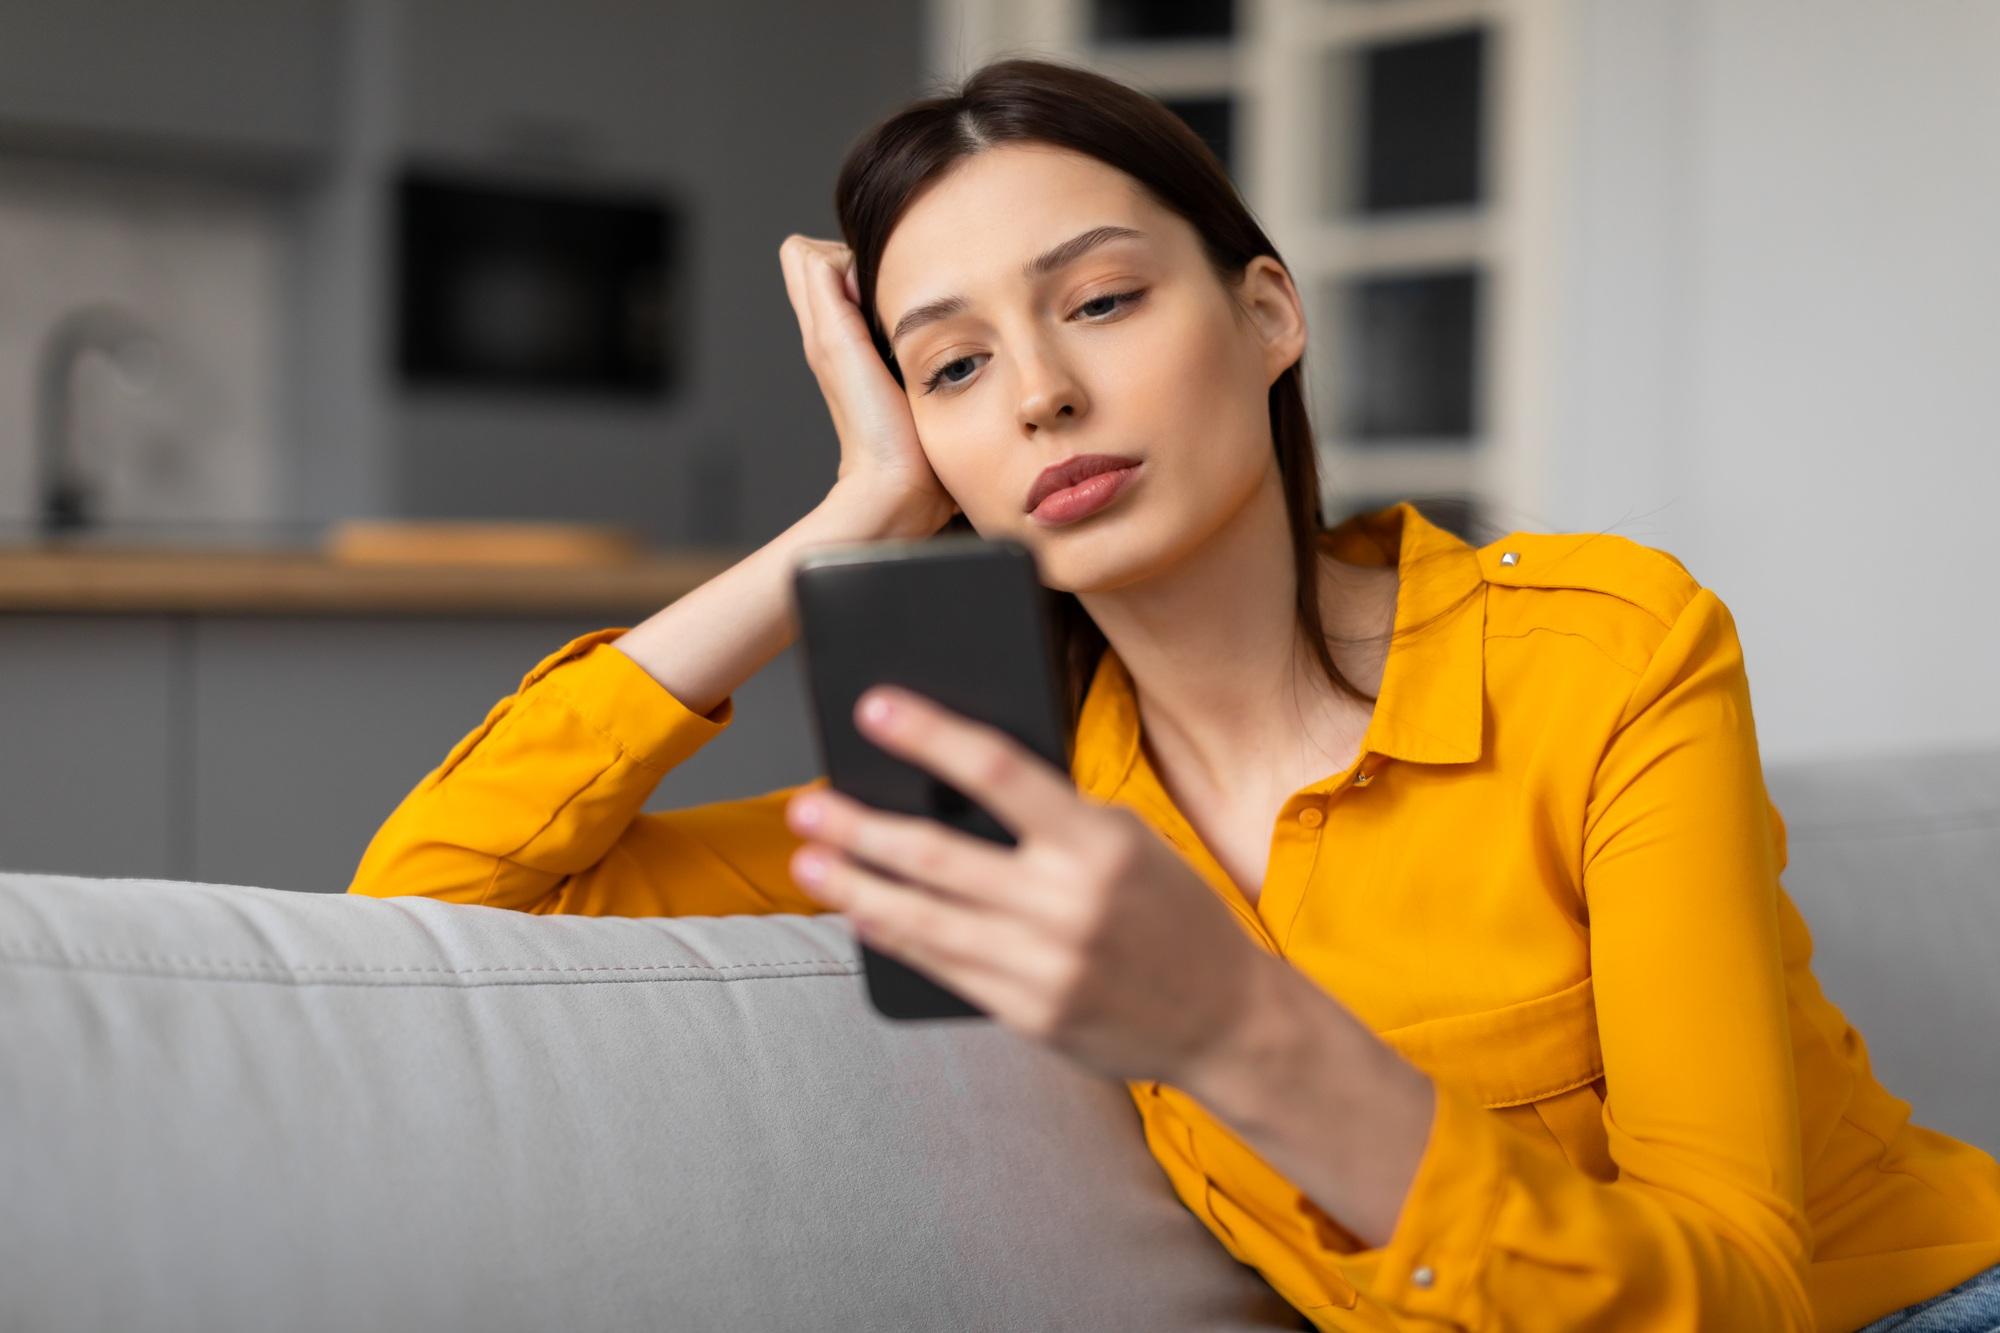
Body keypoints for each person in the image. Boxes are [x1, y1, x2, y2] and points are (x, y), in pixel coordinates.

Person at [348, 56, 2000, 1331]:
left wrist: (1233, 1027)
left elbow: (1743, 1302)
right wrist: (849, 516)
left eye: (1103, 300)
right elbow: (434, 893)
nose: (1047, 394)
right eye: (956, 368)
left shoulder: (1603, 655)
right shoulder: (1003, 807)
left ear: (1266, 312)